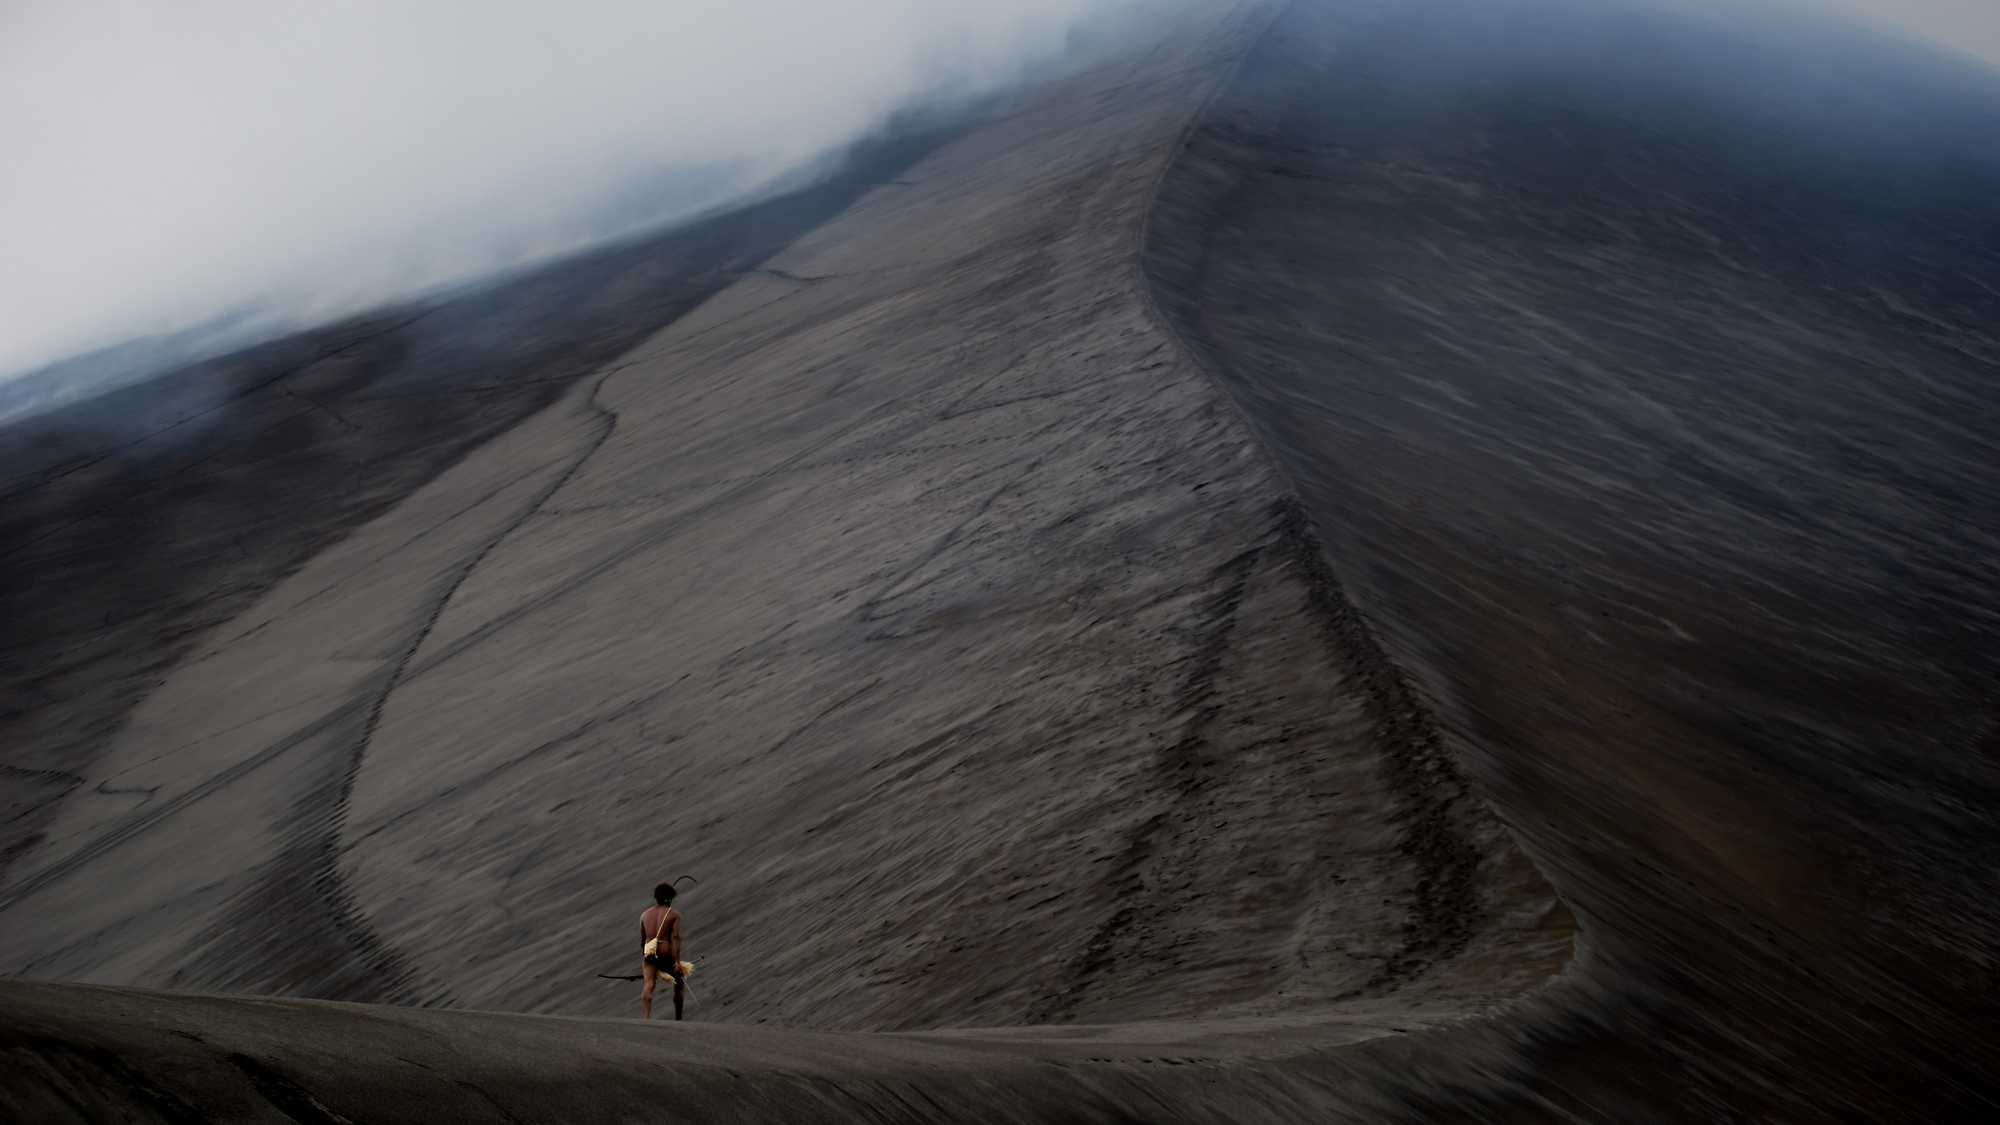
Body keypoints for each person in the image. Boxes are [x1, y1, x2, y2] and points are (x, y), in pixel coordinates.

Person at [640, 882, 685, 1021]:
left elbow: (642, 941)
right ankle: (678, 1019)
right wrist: (677, 962)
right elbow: (676, 938)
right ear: (669, 898)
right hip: (666, 954)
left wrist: (647, 959)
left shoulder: (644, 915)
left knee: (648, 984)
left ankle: (647, 1017)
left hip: (649, 953)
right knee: (679, 982)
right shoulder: (674, 915)